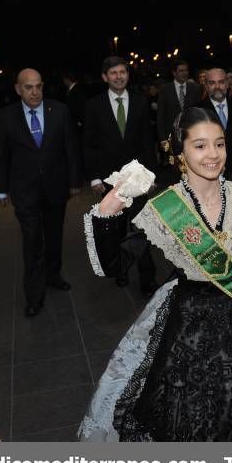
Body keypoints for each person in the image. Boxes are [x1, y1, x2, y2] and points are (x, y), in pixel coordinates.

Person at [78, 107, 232, 441]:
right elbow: (114, 266)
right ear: (180, 150)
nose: (213, 154)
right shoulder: (165, 207)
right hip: (187, 323)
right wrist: (108, 212)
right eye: (200, 146)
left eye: (219, 144)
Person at [0, 68, 81, 317]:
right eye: (29, 87)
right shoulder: (6, 116)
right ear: (18, 89)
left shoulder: (60, 111)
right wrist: (1, 189)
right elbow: (1, 155)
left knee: (54, 235)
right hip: (24, 190)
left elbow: (71, 149)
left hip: (56, 187)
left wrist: (74, 181)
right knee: (32, 240)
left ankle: (53, 275)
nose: (35, 92)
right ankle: (34, 295)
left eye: (38, 86)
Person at [84, 56, 157, 291]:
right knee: (115, 230)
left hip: (138, 179)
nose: (119, 76)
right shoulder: (93, 106)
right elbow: (89, 144)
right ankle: (120, 270)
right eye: (113, 73)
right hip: (108, 181)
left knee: (143, 228)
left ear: (128, 75)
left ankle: (147, 278)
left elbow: (148, 141)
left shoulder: (140, 102)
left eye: (122, 72)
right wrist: (95, 177)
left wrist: (151, 177)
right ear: (105, 77)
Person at [195, 68, 232, 180]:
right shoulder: (197, 110)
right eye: (212, 83)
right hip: (209, 172)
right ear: (206, 86)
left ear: (227, 84)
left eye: (221, 82)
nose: (217, 87)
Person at [156, 60, 200, 144]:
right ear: (174, 73)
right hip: (171, 137)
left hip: (192, 135)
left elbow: (198, 112)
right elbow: (160, 116)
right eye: (181, 71)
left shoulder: (195, 88)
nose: (184, 73)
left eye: (186, 70)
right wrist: (162, 138)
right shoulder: (165, 90)